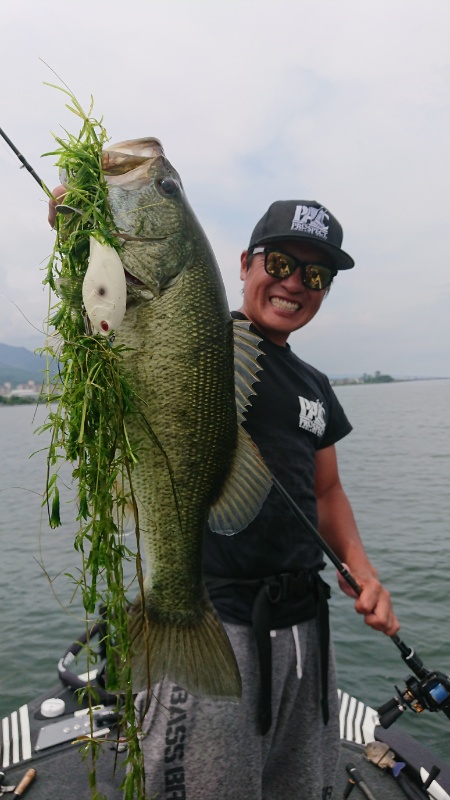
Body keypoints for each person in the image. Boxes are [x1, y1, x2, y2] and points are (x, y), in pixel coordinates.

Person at [48, 193, 399, 799]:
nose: (296, 284)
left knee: (298, 785)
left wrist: (363, 571)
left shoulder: (316, 385)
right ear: (244, 264)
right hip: (217, 618)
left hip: (304, 629)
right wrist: (80, 239)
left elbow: (329, 487)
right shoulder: (200, 339)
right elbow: (114, 317)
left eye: (316, 276)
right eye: (281, 264)